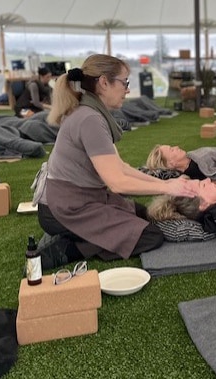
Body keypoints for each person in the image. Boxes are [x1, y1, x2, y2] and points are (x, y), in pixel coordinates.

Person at [36, 54, 197, 270]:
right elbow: (117, 183)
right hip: (63, 209)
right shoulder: (89, 119)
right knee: (150, 236)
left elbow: (120, 167)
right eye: (124, 82)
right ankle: (69, 249)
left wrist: (159, 182)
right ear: (104, 82)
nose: (127, 89)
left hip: (79, 199)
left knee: (142, 214)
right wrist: (167, 186)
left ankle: (81, 237)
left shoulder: (92, 113)